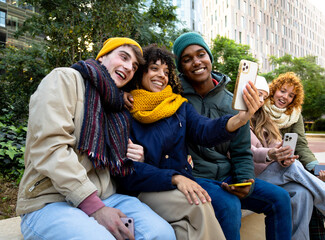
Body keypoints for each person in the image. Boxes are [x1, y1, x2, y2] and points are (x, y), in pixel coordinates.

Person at [16, 38, 176, 240]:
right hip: (50, 200)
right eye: (123, 57)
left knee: (162, 234)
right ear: (102, 57)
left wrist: (136, 157)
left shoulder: (117, 104)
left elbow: (117, 163)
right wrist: (95, 207)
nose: (128, 67)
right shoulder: (64, 79)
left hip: (107, 196)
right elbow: (49, 149)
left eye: (134, 66)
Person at [117, 43, 262, 240]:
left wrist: (239, 119)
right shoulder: (125, 109)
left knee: (188, 228)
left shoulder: (178, 106)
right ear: (141, 72)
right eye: (154, 69)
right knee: (200, 205)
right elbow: (128, 169)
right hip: (145, 188)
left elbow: (205, 130)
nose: (161, 75)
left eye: (166, 71)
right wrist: (175, 178)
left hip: (179, 186)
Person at [173, 32, 292, 240]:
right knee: (229, 204)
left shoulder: (233, 103)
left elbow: (241, 151)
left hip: (226, 176)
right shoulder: (174, 98)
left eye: (201, 54)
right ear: (180, 66)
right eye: (187, 59)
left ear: (210, 58)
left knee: (280, 198)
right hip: (195, 177)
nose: (196, 62)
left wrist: (246, 181)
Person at [250, 75, 325, 239]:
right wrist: (275, 155)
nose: (285, 97)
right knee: (303, 175)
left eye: (291, 95)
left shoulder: (293, 115)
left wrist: (315, 167)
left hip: (284, 162)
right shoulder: (257, 111)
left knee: (306, 188)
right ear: (273, 92)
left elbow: (300, 144)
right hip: (264, 168)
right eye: (282, 91)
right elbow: (250, 150)